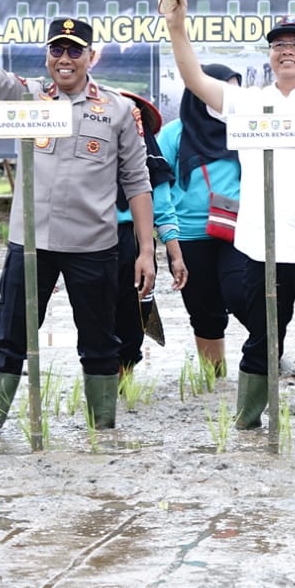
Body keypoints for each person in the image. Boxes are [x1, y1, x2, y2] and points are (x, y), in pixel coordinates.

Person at [0, 0, 155, 432]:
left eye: (75, 51)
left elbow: (136, 181)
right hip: (30, 244)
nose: (65, 59)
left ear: (90, 57)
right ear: (47, 56)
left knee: (99, 344)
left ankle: (101, 435)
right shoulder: (25, 97)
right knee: (10, 339)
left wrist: (147, 250)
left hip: (94, 246)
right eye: (57, 50)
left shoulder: (114, 109)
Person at [162, 0, 295, 435]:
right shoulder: (247, 103)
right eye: (278, 45)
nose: (287, 52)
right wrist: (178, 29)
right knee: (261, 340)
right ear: (269, 55)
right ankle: (247, 421)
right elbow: (195, 80)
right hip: (261, 248)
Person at [157, 65, 243, 374]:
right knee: (204, 311)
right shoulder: (174, 133)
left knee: (243, 295)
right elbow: (157, 183)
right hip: (189, 236)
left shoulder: (245, 128)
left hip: (238, 231)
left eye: (235, 90)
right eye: (223, 89)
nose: (228, 98)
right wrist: (169, 235)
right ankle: (215, 380)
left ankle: (264, 357)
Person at [113, 91, 186, 375]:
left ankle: (124, 378)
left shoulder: (150, 158)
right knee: (94, 313)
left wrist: (174, 253)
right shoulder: (87, 155)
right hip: (89, 238)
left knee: (132, 314)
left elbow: (163, 208)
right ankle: (100, 385)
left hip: (133, 239)